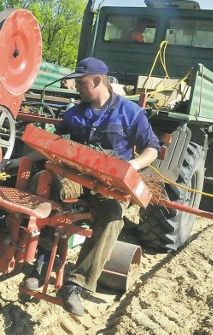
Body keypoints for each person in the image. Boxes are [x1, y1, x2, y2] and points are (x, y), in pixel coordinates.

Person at [52, 57, 159, 316]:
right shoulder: (74, 114)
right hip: (76, 179)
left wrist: (132, 165)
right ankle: (39, 263)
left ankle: (76, 285)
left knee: (112, 217)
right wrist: (18, 159)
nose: (76, 86)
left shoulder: (130, 112)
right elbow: (55, 142)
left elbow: (152, 148)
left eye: (81, 82)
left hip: (109, 185)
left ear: (98, 80)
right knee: (41, 188)